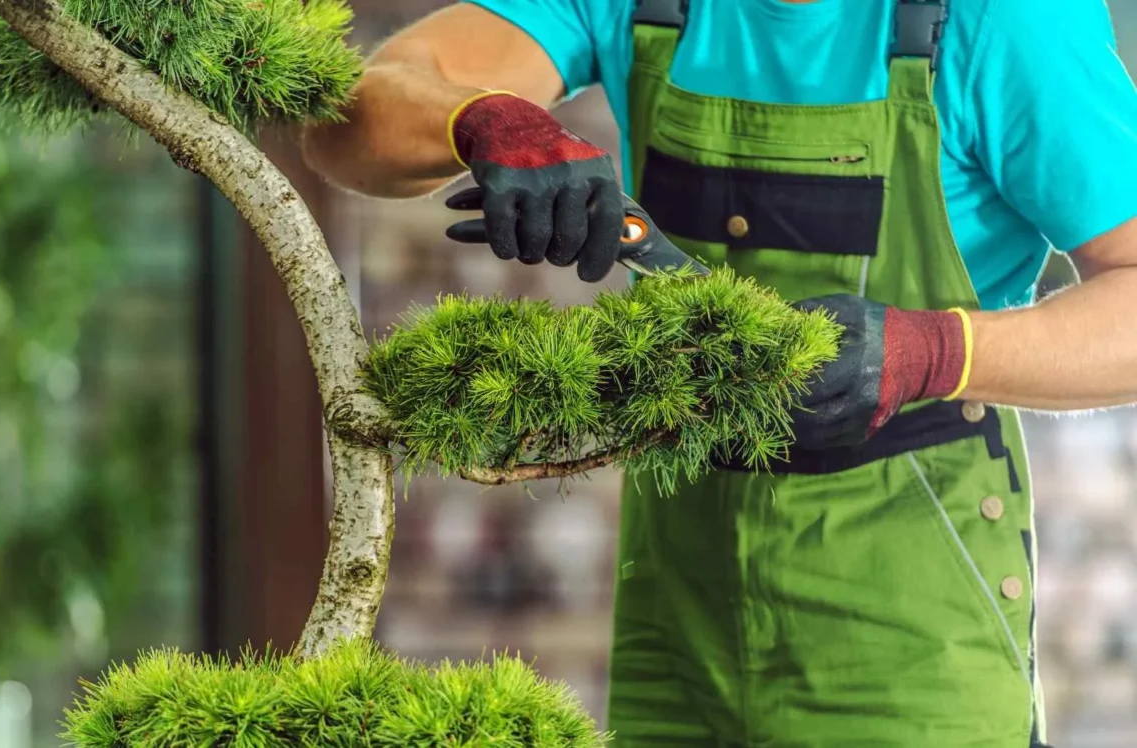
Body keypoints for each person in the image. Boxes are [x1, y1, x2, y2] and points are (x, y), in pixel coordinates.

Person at [302, 0, 1137, 744]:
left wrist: (930, 353)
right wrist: (485, 119)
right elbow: (350, 124)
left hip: (911, 609)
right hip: (680, 614)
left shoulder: (1005, 18)